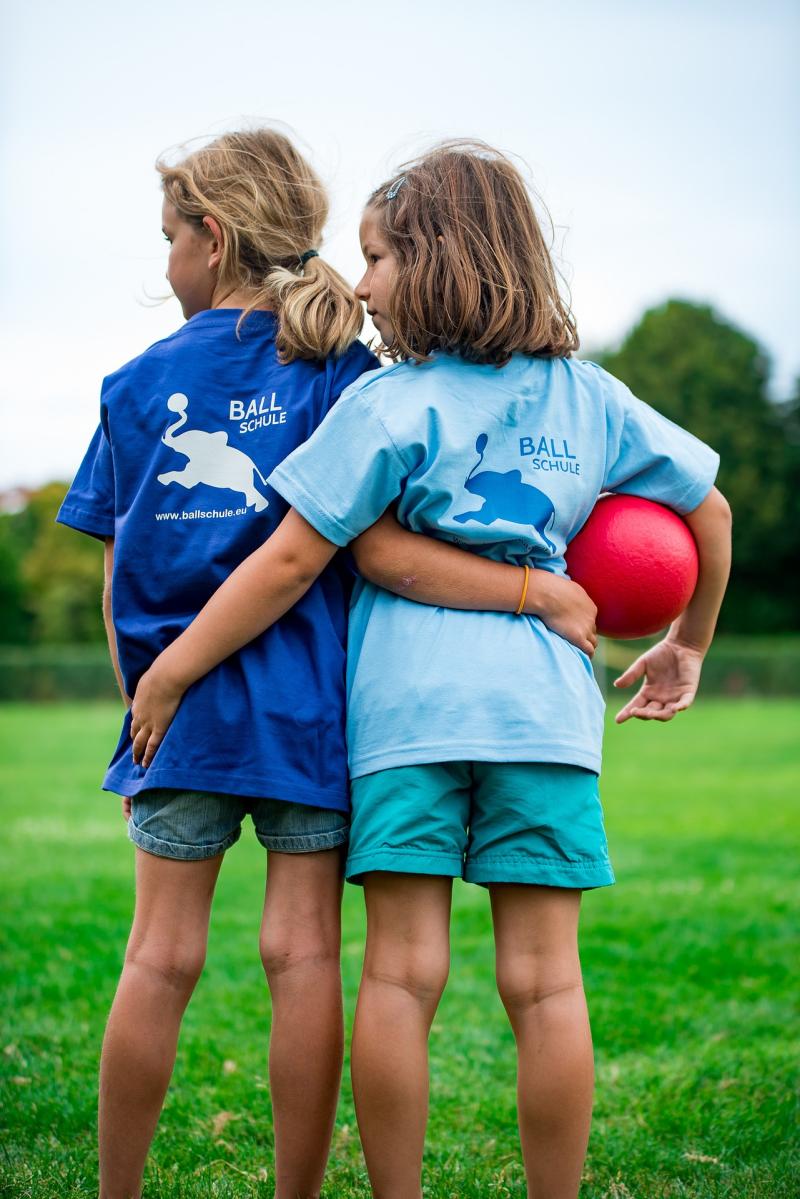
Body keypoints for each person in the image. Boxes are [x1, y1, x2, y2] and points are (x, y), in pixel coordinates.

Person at [127, 140, 732, 1199]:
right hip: (543, 723)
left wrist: (172, 667)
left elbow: (295, 556)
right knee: (546, 986)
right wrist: (685, 642)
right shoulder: (588, 399)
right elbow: (708, 511)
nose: (359, 285)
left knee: (400, 976)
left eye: (375, 258)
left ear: (439, 259)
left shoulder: (387, 404)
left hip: (405, 723)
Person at [57, 128, 597, 1199]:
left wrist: (145, 691)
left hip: (181, 720)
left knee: (156, 959)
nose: (163, 262)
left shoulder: (132, 385)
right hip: (311, 718)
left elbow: (118, 575)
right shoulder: (348, 372)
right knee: (299, 955)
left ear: (209, 240)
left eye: (167, 238)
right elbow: (355, 546)